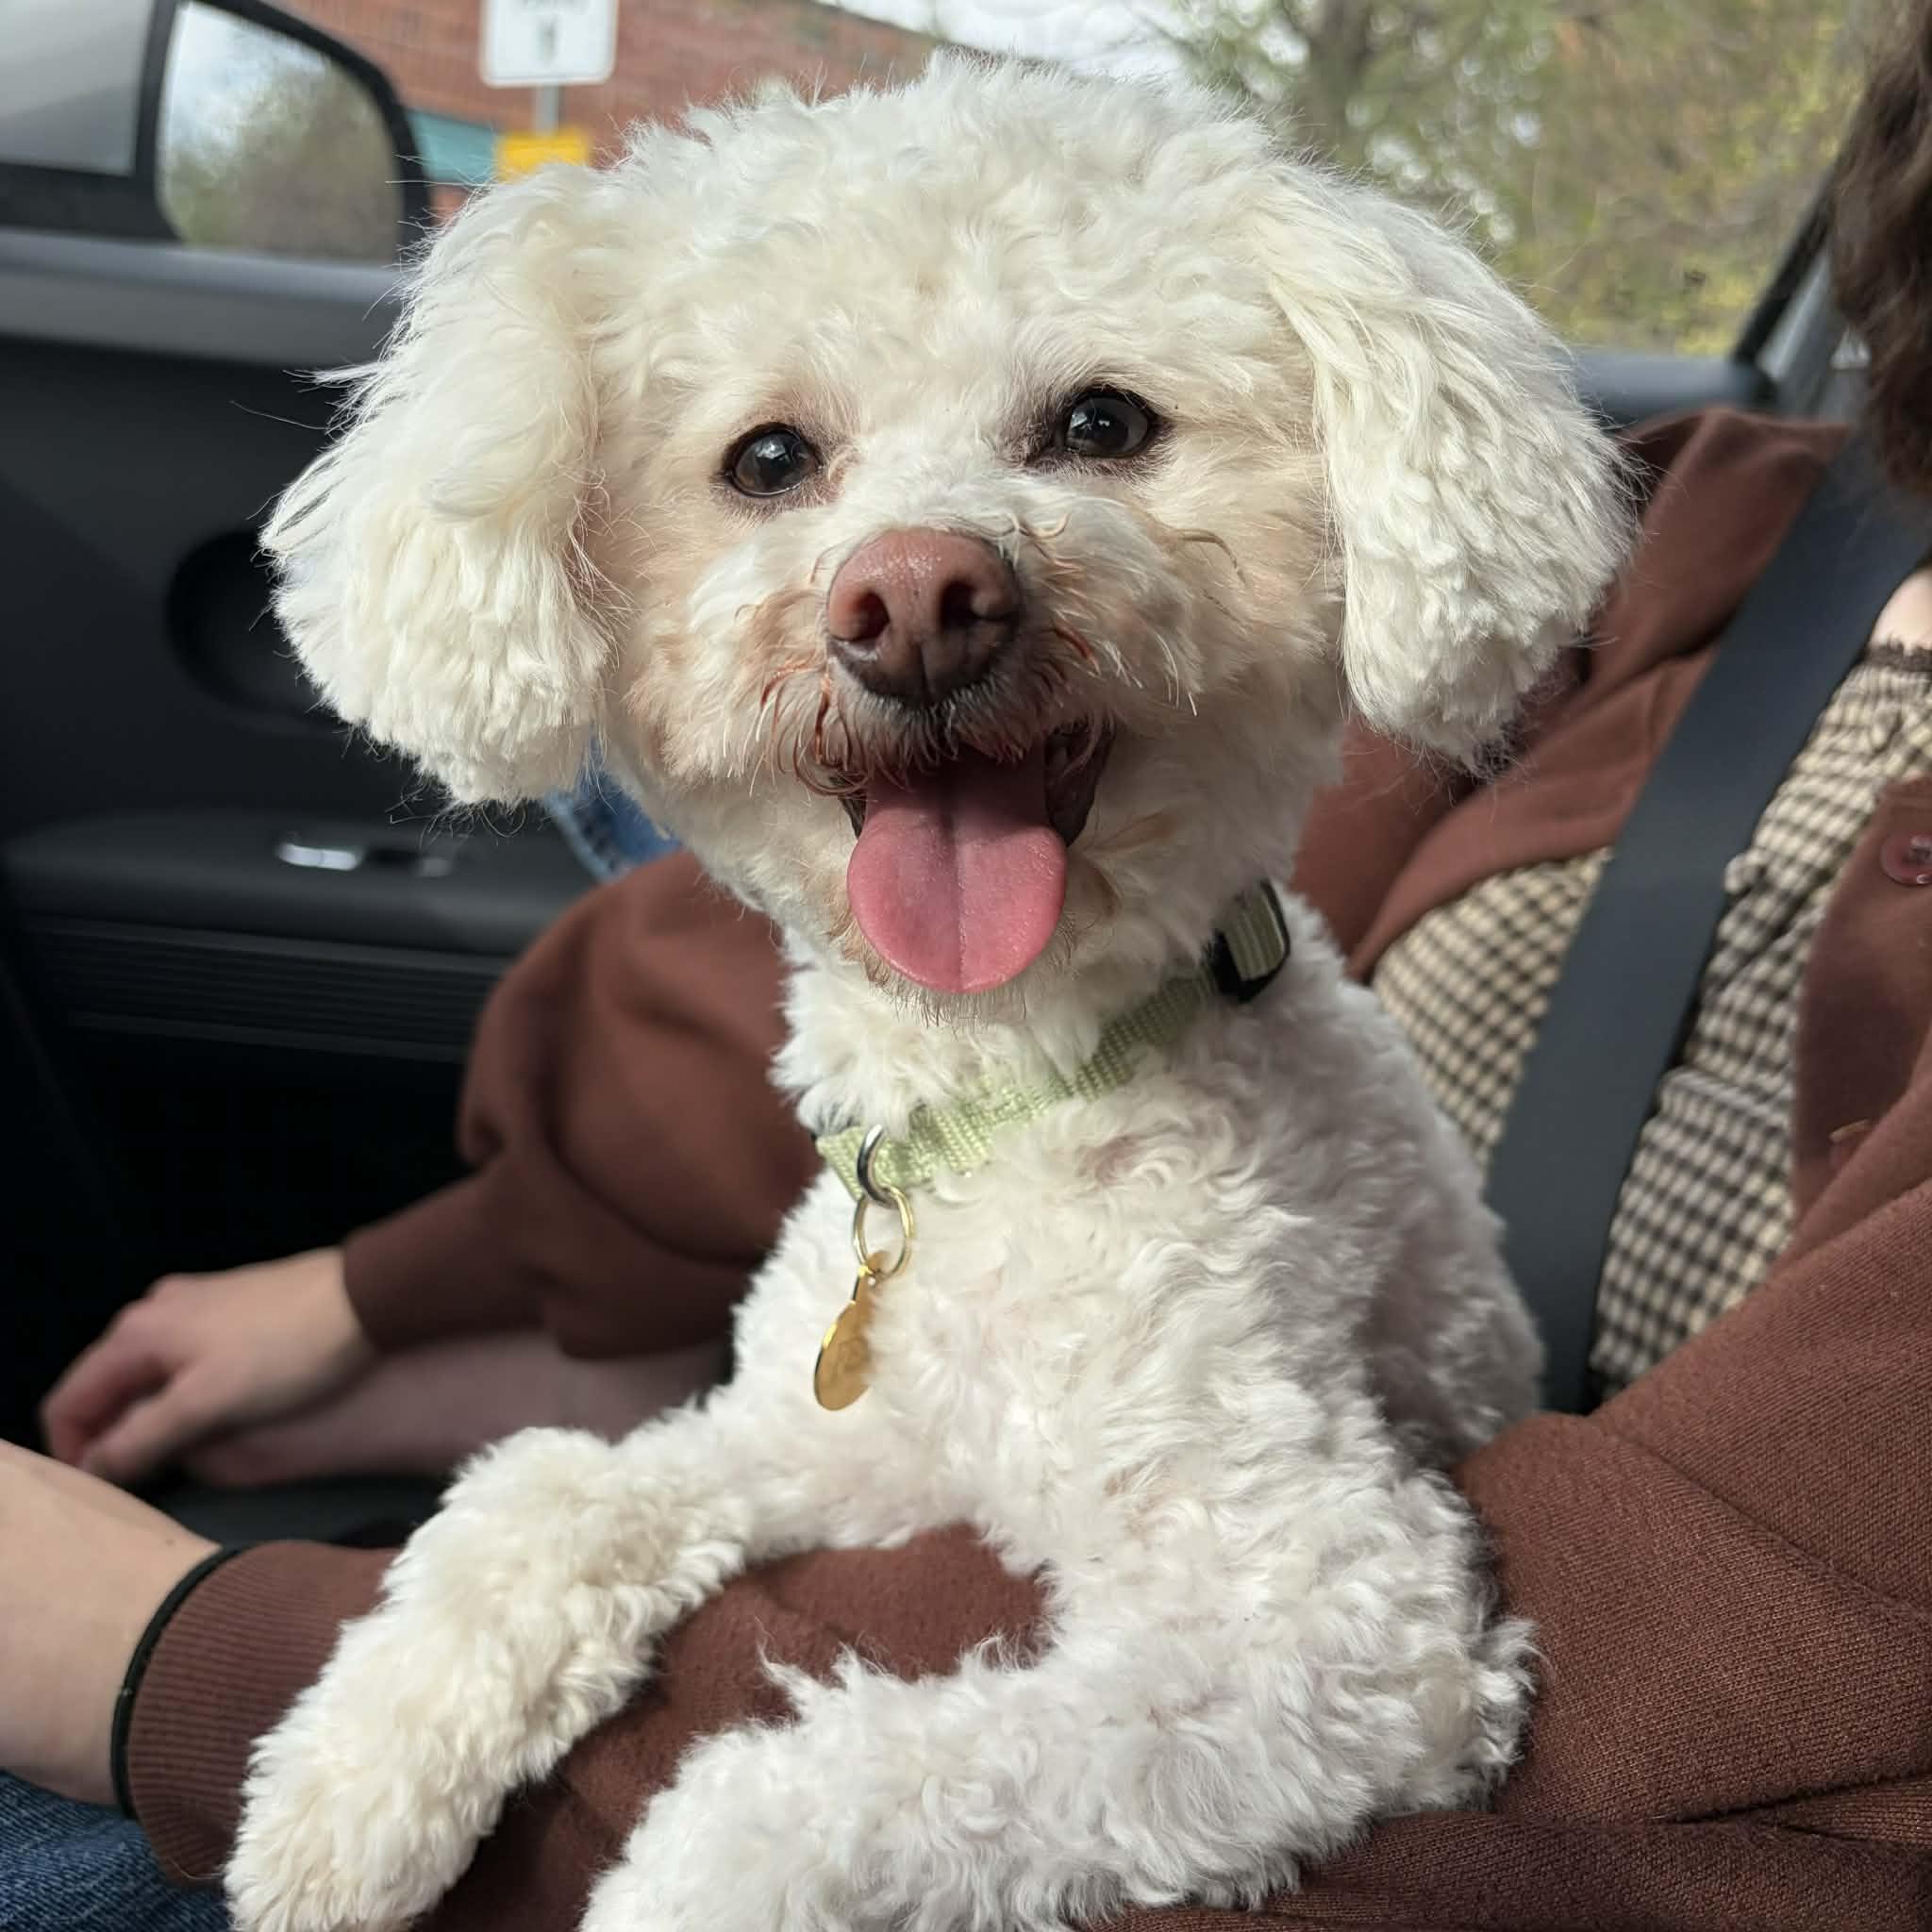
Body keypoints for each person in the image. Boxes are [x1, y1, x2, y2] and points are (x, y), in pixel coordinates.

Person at [5, 6, 1932, 1924]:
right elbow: (819, 1418)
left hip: (1342, 1796)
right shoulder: (1725, 562)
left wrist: (196, 1661)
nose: (916, 570)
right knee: (554, 1507)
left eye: (1098, 428)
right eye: (771, 461)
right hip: (942, 1323)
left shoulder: (1226, 1154)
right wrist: (389, 1327)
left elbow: (1364, 1667)